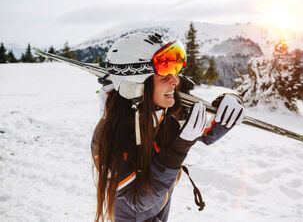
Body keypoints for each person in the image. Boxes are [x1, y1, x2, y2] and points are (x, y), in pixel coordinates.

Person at [91, 33, 245, 222]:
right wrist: (176, 152)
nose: (176, 81)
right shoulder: (110, 136)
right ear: (136, 84)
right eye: (164, 76)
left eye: (175, 72)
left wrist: (228, 108)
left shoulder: (162, 111)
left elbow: (205, 132)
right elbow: (135, 206)